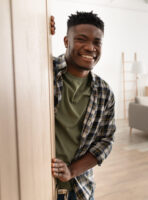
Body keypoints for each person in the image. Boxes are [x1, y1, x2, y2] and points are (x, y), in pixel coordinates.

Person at [50, 11, 116, 200]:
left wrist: (71, 171)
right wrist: (34, 25)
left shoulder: (104, 92)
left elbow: (106, 141)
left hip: (79, 190)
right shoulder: (45, 70)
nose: (90, 47)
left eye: (97, 42)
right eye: (81, 39)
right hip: (38, 185)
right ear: (66, 41)